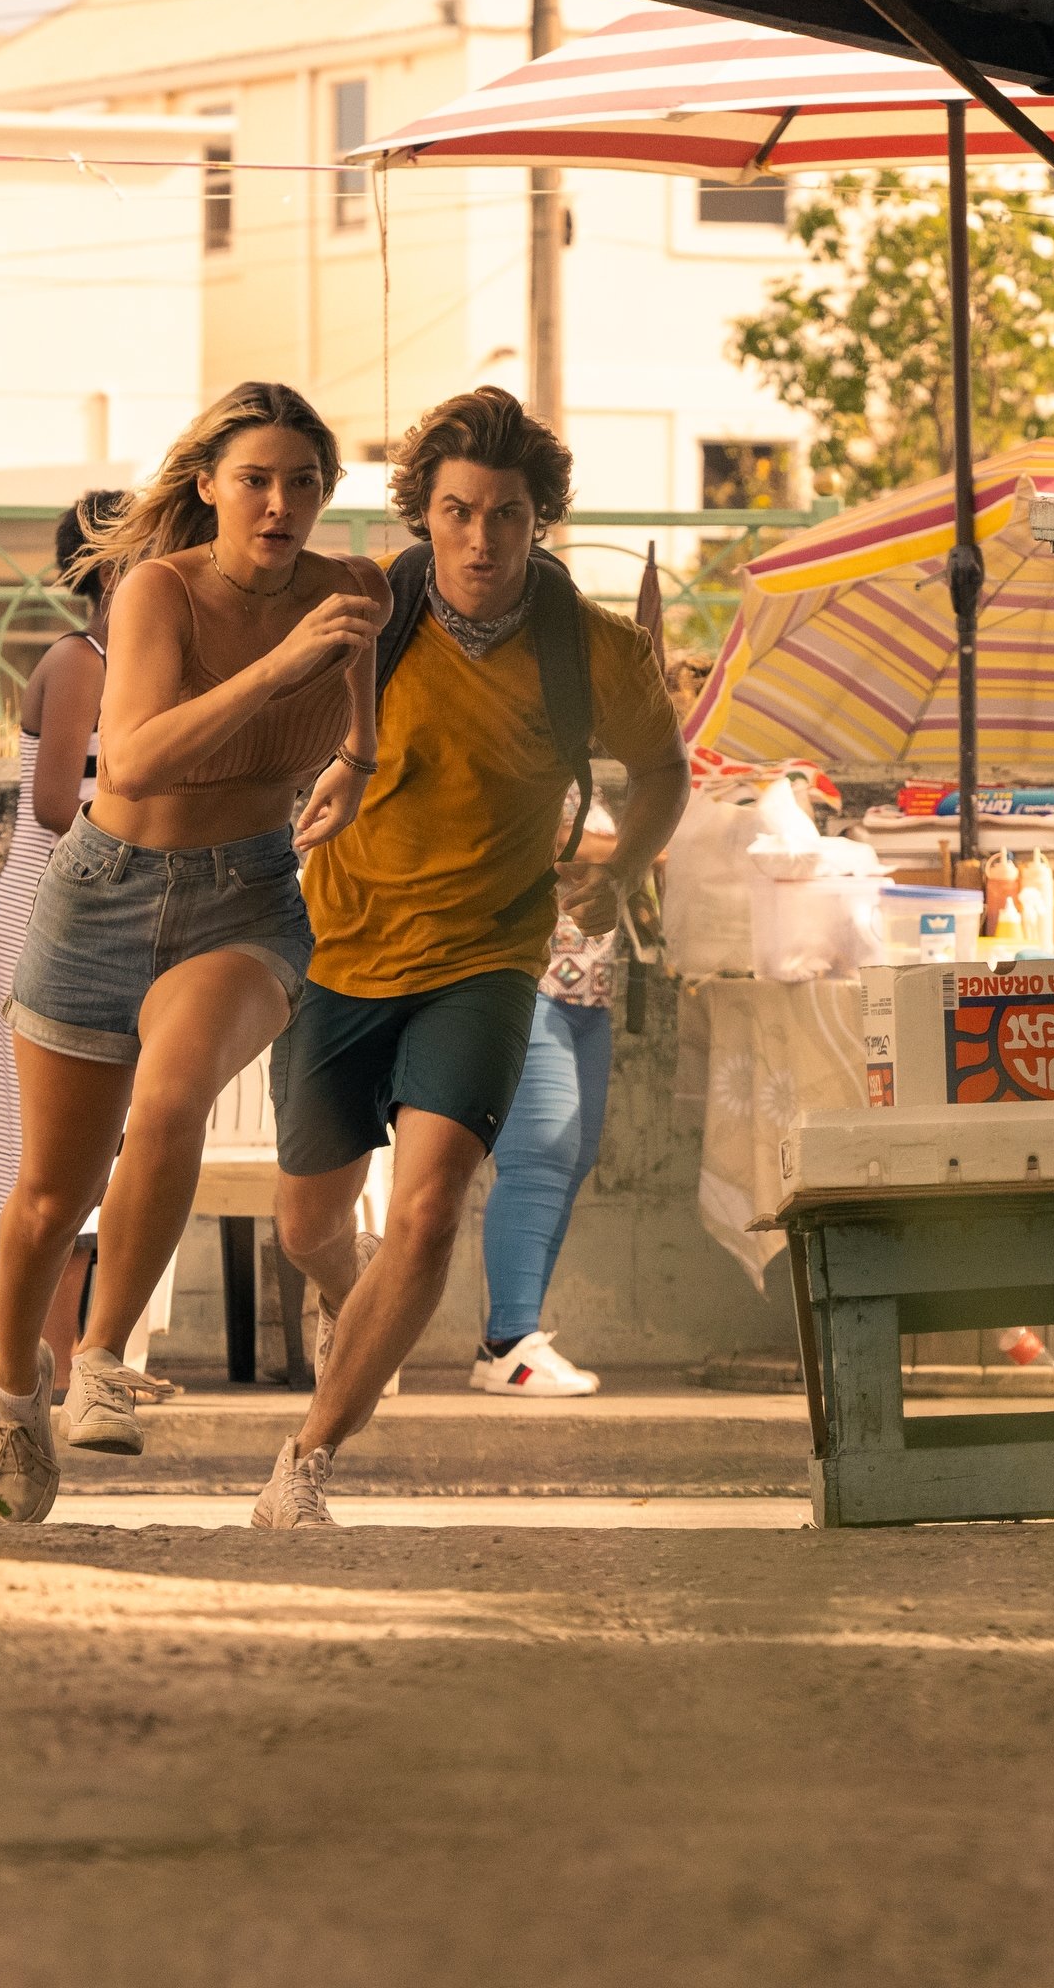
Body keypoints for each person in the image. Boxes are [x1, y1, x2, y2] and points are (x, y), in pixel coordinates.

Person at [252, 388, 687, 1526]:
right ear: (421, 515)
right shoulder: (366, 620)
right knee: (307, 1226)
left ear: (540, 518)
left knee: (432, 1208)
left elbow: (667, 772)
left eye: (506, 514)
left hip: (487, 961)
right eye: (457, 513)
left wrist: (622, 867)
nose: (482, 539)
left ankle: (305, 1463)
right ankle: (355, 1307)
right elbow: (260, 727)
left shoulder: (589, 650)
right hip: (341, 951)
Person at [0, 383, 386, 1525]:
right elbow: (140, 761)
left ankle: (101, 1362)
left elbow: (365, 713)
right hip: (104, 895)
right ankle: (16, 1403)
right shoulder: (158, 592)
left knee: (172, 1098)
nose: (279, 504)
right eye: (256, 479)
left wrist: (355, 761)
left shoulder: (356, 590)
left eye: (304, 483)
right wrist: (278, 667)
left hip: (247, 900)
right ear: (208, 484)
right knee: (49, 1196)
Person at [0, 497, 123, 1393]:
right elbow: (54, 804)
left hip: (95, 914)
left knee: (87, 1144)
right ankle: (45, 1368)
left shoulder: (141, 665)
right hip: (47, 914)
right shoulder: (80, 662)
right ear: (111, 568)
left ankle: (63, 1365)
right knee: (41, 1146)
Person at [470, 797, 623, 1397]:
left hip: (588, 995)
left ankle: (506, 1343)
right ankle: (512, 1343)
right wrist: (651, 847)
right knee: (539, 1157)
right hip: (529, 982)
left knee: (571, 1158)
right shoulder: (533, 736)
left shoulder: (589, 771)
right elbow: (555, 838)